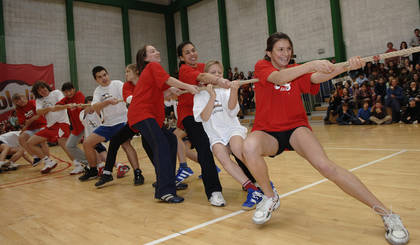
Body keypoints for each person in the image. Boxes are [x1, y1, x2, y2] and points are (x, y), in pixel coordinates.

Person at [242, 32, 409, 245]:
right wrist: (311, 63)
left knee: (327, 167)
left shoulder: (296, 71)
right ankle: (269, 197)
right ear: (269, 53)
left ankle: (387, 214)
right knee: (249, 146)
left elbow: (316, 77)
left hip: (295, 128)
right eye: (280, 49)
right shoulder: (262, 67)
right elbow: (279, 78)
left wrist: (347, 66)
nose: (285, 53)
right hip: (267, 132)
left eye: (288, 49)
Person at [177, 41, 254, 206]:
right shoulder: (185, 69)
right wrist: (221, 80)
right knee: (204, 147)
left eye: (193, 50)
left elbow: (214, 73)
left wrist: (227, 83)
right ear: (181, 57)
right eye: (187, 52)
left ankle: (252, 181)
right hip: (191, 113)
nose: (192, 54)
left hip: (212, 113)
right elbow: (205, 77)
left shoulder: (203, 65)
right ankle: (214, 191)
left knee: (236, 147)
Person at [126, 45, 198, 203]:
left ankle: (168, 182)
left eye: (156, 49)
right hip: (142, 114)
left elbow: (163, 91)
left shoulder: (151, 71)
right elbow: (169, 80)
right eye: (152, 51)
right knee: (162, 145)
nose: (157, 52)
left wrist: (172, 91)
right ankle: (164, 191)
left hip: (150, 116)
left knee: (171, 141)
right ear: (145, 58)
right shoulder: (152, 66)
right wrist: (188, 87)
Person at [193, 60, 261, 210]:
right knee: (222, 157)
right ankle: (252, 189)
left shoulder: (227, 90)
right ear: (206, 77)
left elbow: (232, 110)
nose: (217, 75)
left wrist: (235, 91)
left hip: (231, 128)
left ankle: (264, 183)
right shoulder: (200, 95)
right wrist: (211, 96)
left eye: (219, 72)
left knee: (237, 148)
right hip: (215, 134)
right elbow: (204, 117)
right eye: (213, 73)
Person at [79, 66, 136, 181]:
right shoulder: (98, 91)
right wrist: (107, 102)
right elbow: (95, 107)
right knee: (87, 143)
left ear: (108, 74)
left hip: (122, 121)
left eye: (104, 75)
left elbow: (127, 96)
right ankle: (93, 170)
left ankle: (137, 172)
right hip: (108, 124)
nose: (103, 78)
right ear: (96, 80)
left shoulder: (117, 84)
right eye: (100, 77)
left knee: (125, 144)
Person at [27, 81, 74, 174]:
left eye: (43, 88)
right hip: (50, 126)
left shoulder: (56, 93)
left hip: (62, 123)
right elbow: (39, 112)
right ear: (37, 93)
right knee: (30, 143)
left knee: (63, 143)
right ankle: (49, 162)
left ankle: (79, 165)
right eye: (39, 90)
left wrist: (53, 108)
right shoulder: (39, 100)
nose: (42, 91)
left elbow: (63, 105)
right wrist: (49, 108)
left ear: (47, 87)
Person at [56, 82, 87, 175]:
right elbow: (57, 106)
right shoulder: (66, 100)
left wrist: (75, 105)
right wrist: (66, 106)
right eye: (66, 92)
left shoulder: (79, 94)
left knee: (91, 146)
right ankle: (87, 162)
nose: (68, 93)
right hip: (76, 128)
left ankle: (98, 164)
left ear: (74, 89)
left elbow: (81, 106)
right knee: (69, 145)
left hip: (86, 125)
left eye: (70, 90)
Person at [12, 93, 48, 166]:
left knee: (42, 142)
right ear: (16, 103)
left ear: (25, 97)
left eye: (21, 98)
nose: (21, 101)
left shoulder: (32, 102)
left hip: (42, 125)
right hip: (31, 128)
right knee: (21, 138)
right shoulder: (18, 110)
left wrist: (30, 120)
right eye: (18, 100)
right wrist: (25, 127)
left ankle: (48, 160)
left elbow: (39, 114)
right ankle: (36, 157)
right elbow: (24, 124)